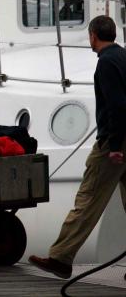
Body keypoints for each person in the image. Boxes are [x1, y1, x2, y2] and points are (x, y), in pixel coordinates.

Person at [29, 15, 126, 279]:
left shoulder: (106, 63)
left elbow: (117, 105)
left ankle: (61, 257)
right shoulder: (123, 57)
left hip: (114, 144)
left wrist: (115, 145)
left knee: (88, 199)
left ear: (94, 35)